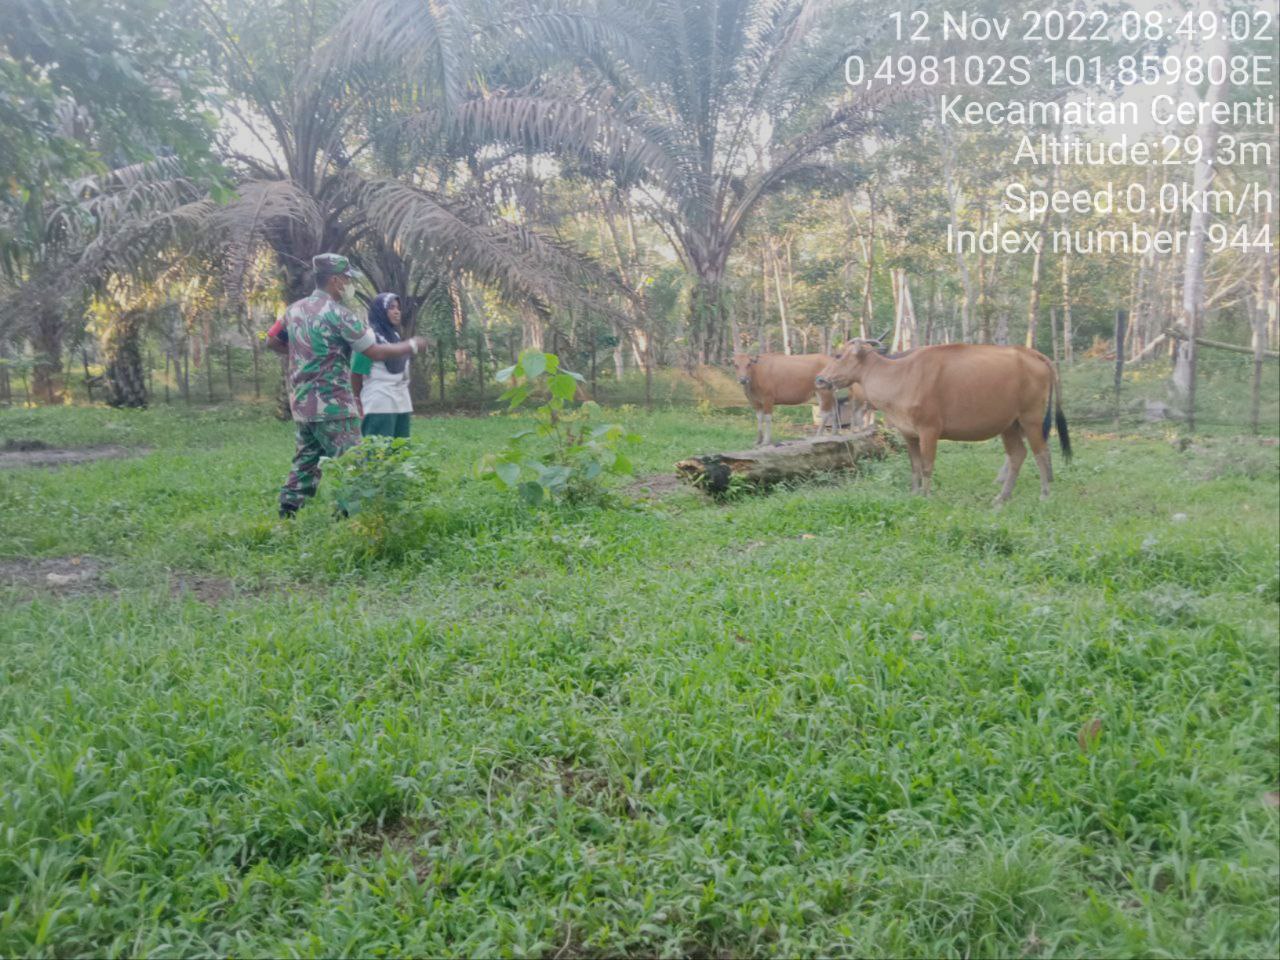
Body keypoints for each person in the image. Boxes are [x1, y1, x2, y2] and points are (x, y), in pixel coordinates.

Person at [267, 253, 427, 518]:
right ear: (334, 280)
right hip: (334, 405)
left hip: (303, 402)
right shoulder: (339, 314)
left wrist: (303, 354)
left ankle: (287, 513)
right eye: (346, 279)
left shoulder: (293, 310)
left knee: (306, 460)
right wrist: (410, 345)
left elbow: (272, 340)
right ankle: (347, 517)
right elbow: (374, 351)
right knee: (354, 462)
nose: (348, 284)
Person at [350, 292, 414, 438]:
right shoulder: (369, 337)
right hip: (379, 403)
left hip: (401, 402)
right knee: (378, 450)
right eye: (391, 307)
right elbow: (356, 372)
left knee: (401, 449)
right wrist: (358, 400)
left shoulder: (395, 336)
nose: (397, 311)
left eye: (398, 308)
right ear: (380, 310)